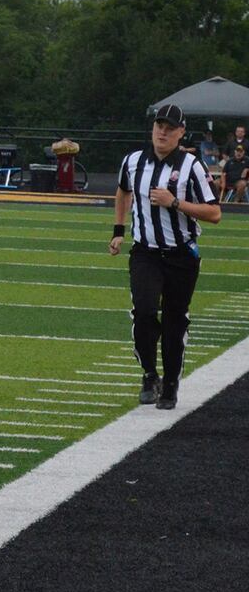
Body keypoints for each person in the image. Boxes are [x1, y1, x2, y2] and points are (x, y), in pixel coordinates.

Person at [110, 104, 221, 410]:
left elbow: (215, 213)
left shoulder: (192, 166)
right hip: (145, 252)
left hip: (181, 254)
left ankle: (170, 382)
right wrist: (118, 229)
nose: (163, 131)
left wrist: (175, 203)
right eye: (159, 125)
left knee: (175, 320)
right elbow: (122, 192)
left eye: (170, 127)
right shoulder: (133, 161)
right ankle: (149, 373)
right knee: (144, 312)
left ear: (181, 132)